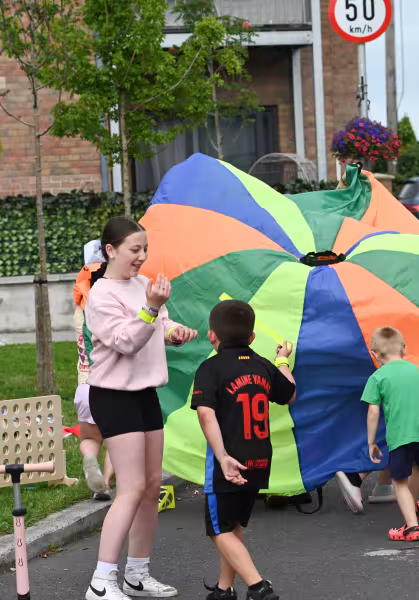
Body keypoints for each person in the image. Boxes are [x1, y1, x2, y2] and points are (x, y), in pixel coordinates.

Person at [84, 216, 198, 600]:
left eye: (145, 249)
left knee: (151, 487)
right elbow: (126, 342)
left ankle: (137, 573)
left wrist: (174, 331)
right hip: (113, 395)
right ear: (111, 250)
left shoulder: (144, 286)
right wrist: (151, 310)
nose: (142, 256)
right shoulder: (100, 294)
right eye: (135, 249)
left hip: (145, 392)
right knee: (131, 488)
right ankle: (101, 582)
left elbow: (157, 325)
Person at [192, 300, 297, 600]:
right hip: (260, 459)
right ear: (252, 338)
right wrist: (282, 362)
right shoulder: (263, 364)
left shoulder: (210, 368)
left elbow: (205, 414)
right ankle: (224, 589)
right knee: (233, 525)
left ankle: (258, 587)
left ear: (212, 336)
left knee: (219, 530)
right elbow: (289, 395)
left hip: (229, 460)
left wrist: (223, 456)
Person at [364, 327, 419, 541]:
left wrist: (371, 442)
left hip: (401, 434)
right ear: (404, 348)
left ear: (374, 354)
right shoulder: (417, 371)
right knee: (418, 469)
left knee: (398, 481)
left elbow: (373, 410)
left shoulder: (378, 377)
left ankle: (412, 528)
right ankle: (411, 510)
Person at [74, 242, 114, 501]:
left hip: (85, 385)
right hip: (111, 383)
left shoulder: (80, 308)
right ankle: (108, 484)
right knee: (115, 437)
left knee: (91, 437)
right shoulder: (108, 306)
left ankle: (90, 458)